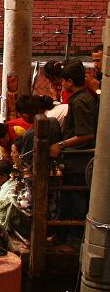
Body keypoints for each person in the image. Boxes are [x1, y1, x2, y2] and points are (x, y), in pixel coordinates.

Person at [49, 60, 98, 227]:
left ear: (69, 81)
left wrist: (60, 145)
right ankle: (64, 237)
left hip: (79, 161)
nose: (61, 84)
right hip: (75, 159)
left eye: (63, 81)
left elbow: (85, 135)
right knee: (69, 201)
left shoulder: (80, 101)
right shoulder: (81, 98)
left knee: (76, 201)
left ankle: (73, 240)